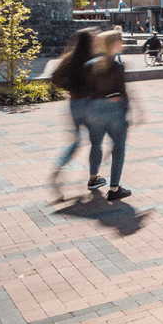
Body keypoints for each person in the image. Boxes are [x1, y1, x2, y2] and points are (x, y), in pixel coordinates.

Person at [48, 28, 102, 201]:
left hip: (74, 104)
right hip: (90, 104)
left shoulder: (69, 58)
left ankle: (57, 172)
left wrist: (70, 88)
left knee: (76, 141)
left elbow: (55, 78)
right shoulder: (92, 60)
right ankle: (94, 178)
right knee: (96, 140)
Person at [85, 28, 136, 201]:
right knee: (118, 148)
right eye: (119, 42)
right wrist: (126, 111)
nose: (122, 45)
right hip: (113, 110)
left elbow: (87, 90)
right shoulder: (117, 66)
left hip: (94, 110)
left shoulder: (90, 65)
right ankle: (114, 188)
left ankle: (93, 178)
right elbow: (121, 92)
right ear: (113, 45)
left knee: (95, 144)